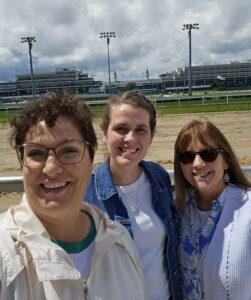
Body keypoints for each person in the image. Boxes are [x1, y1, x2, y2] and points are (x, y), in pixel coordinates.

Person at [0, 91, 146, 300]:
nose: (50, 168)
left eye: (69, 151)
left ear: (91, 159)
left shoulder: (121, 243)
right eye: (36, 153)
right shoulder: (4, 255)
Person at [85, 91, 182, 300]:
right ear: (104, 132)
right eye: (121, 129)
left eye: (141, 130)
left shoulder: (159, 178)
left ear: (151, 136)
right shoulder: (86, 193)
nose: (130, 138)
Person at [174, 118, 251, 300]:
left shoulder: (247, 208)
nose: (198, 163)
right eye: (187, 157)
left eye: (208, 154)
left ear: (226, 161)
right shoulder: (176, 211)